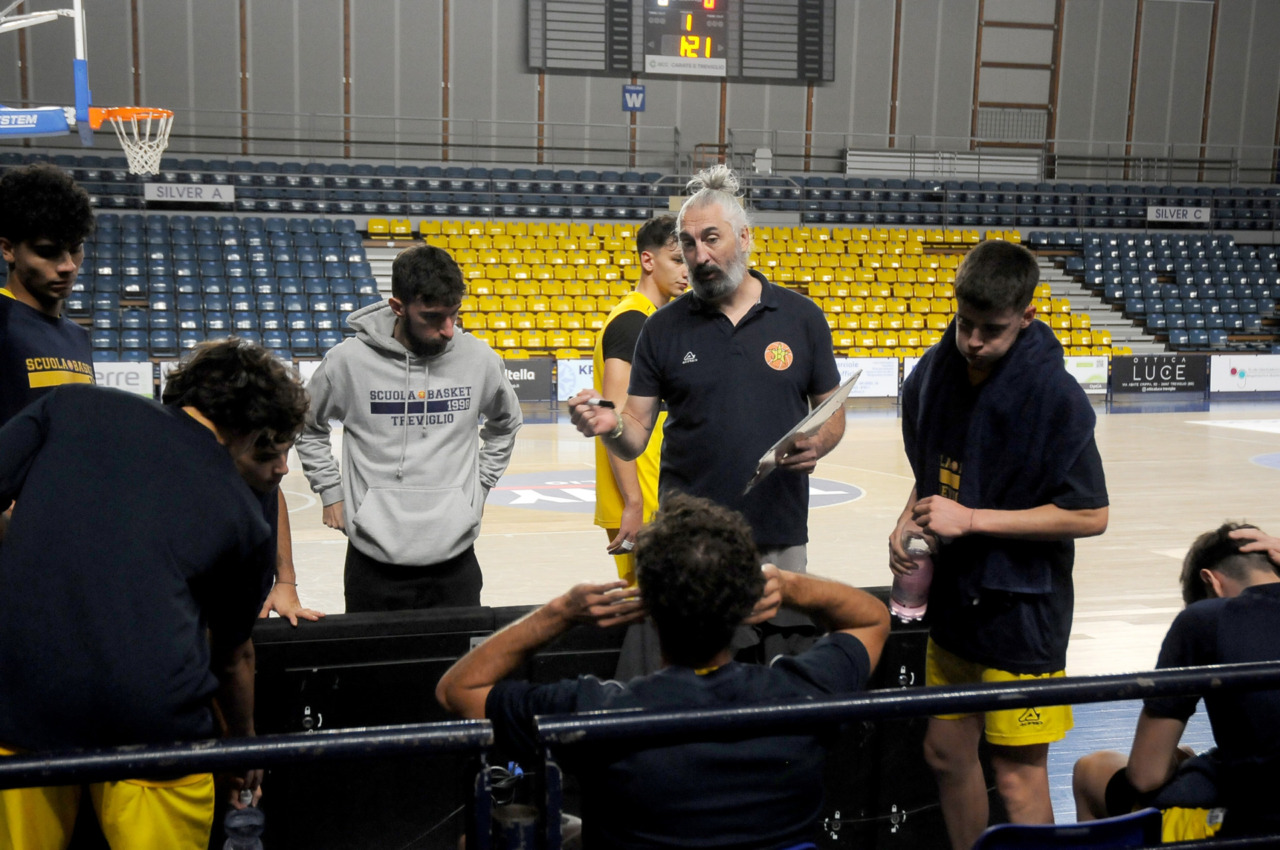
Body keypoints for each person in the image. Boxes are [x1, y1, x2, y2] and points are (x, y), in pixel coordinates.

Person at [436, 492, 890, 850]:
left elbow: (458, 688)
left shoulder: (596, 712)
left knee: (480, 836)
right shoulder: (803, 693)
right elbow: (873, 619)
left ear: (647, 610)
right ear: (745, 600)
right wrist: (791, 584)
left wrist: (561, 612)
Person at [0, 338, 309, 850]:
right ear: (253, 431)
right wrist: (242, 747)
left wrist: (28, 537)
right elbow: (232, 658)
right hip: (154, 730)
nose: (280, 470)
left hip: (20, 708)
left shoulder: (70, 405)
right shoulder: (243, 515)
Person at [890, 239, 1109, 849]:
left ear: (1028, 317)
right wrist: (908, 516)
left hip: (1023, 612)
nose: (974, 340)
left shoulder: (1055, 397)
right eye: (965, 324)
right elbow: (936, 468)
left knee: (1016, 778)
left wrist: (975, 521)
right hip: (957, 603)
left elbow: (1091, 514)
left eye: (993, 329)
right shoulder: (936, 373)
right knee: (943, 751)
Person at [570, 165, 845, 573]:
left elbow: (833, 410)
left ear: (745, 237)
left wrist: (819, 443)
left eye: (711, 239)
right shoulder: (660, 328)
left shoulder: (802, 318)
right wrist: (611, 426)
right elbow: (636, 431)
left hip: (778, 530)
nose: (700, 256)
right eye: (688, 244)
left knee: (781, 634)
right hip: (687, 539)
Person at [295, 244, 522, 612]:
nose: (448, 330)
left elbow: (506, 423)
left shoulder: (479, 359)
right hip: (372, 559)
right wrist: (331, 490)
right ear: (398, 308)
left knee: (456, 669)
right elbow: (306, 426)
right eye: (433, 318)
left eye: (454, 315)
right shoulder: (347, 362)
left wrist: (479, 487)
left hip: (456, 558)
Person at [1072, 522, 1280, 841]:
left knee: (1091, 770)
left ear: (1211, 582)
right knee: (1190, 761)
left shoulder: (1205, 618)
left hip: (1257, 823)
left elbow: (1145, 775)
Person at [591, 213, 687, 583]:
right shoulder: (633, 322)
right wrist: (633, 503)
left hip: (653, 498)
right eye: (676, 260)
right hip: (640, 505)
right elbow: (614, 417)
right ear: (648, 261)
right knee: (650, 617)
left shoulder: (651, 319)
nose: (686, 271)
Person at [0, 162, 96, 429]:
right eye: (47, 251)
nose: (68, 265)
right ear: (8, 249)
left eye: (75, 249)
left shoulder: (78, 337)